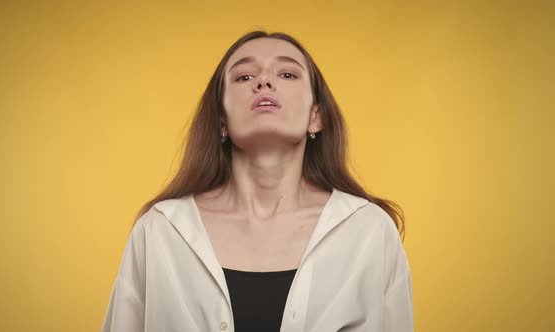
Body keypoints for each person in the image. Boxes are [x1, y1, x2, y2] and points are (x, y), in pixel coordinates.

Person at [102, 30, 413, 332]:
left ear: (315, 116)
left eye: (287, 75)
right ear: (221, 120)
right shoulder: (160, 231)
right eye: (244, 77)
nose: (264, 82)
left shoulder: (369, 231)